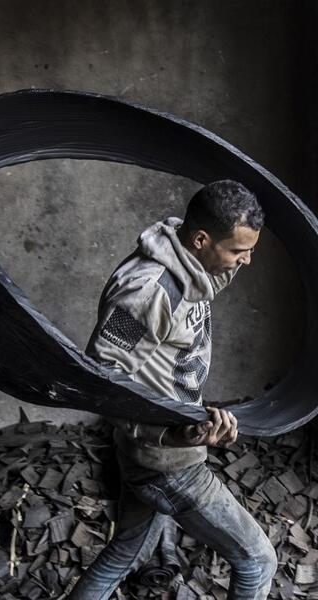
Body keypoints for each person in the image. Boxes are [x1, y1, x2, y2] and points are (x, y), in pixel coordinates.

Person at [68, 180, 277, 600]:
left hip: (157, 453)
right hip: (165, 462)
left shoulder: (194, 264)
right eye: (239, 251)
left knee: (126, 551)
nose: (247, 261)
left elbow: (218, 264)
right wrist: (174, 434)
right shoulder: (146, 293)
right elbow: (102, 380)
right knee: (257, 561)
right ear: (200, 240)